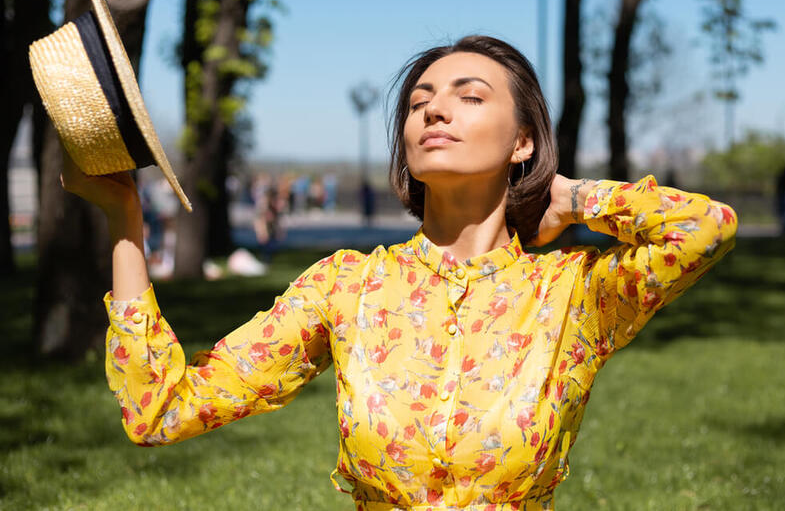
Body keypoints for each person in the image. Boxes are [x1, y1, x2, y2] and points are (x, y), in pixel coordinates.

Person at [61, 36, 737, 510]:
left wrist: (571, 197)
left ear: (522, 140)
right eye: (418, 102)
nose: (433, 110)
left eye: (468, 96)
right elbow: (159, 410)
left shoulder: (573, 295)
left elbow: (705, 227)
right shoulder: (344, 286)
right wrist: (125, 224)